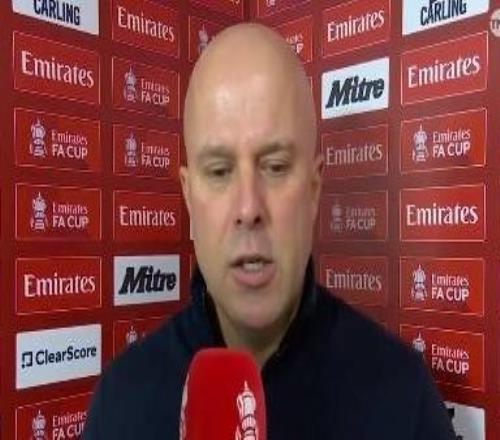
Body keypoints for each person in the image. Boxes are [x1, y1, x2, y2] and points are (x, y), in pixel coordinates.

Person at [83, 23, 456, 439]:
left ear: (313, 189)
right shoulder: (121, 403)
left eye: (275, 167)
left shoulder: (404, 399)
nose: (248, 208)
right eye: (219, 171)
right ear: (188, 197)